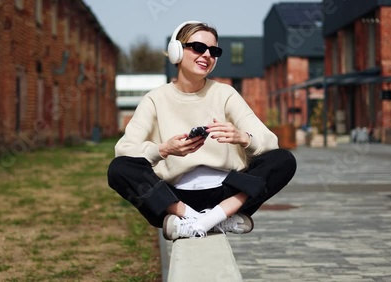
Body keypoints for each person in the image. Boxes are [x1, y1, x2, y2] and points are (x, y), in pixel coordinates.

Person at [107, 20, 297, 240]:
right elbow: (124, 150)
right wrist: (164, 149)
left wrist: (243, 138)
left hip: (226, 192)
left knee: (284, 159)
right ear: (176, 50)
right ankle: (196, 218)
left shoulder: (225, 94)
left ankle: (209, 219)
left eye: (214, 51)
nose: (207, 55)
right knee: (118, 168)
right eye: (198, 47)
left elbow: (269, 142)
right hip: (174, 197)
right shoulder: (154, 99)